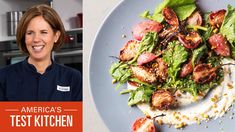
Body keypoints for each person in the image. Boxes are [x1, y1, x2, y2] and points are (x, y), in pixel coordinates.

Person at [0, 4, 82, 101]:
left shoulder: (73, 77)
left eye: (43, 32)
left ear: (56, 36)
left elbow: (78, 116)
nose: (36, 39)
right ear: (24, 37)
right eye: (30, 33)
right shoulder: (3, 77)